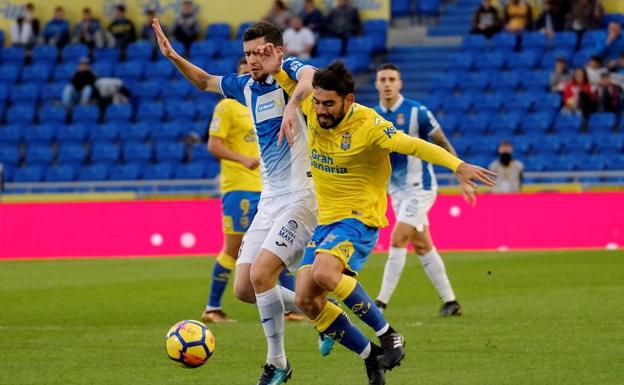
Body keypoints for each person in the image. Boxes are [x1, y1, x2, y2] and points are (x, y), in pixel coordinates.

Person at [258, 49, 496, 383]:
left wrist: (458, 166)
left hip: (359, 218)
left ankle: (388, 334)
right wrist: (273, 68)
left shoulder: (370, 125)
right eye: (318, 103)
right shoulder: (312, 107)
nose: (321, 111)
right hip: (326, 220)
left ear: (348, 100)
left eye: (329, 104)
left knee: (326, 274)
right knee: (305, 299)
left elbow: (415, 145)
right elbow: (288, 78)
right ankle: (370, 357)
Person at [154, 20, 317, 385]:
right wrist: (173, 56)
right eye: (247, 54)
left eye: (258, 52)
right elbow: (204, 81)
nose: (252, 60)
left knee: (262, 276)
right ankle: (321, 311)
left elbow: (311, 80)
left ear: (275, 50)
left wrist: (292, 106)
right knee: (245, 289)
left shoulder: (289, 73)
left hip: (302, 194)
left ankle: (278, 363)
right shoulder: (244, 87)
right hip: (270, 198)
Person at [202, 57, 304, 323]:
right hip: (239, 186)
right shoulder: (227, 107)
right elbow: (213, 145)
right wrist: (242, 159)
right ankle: (212, 307)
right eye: (243, 72)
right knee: (233, 248)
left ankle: (294, 306)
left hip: (269, 188)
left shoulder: (268, 100)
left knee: (276, 247)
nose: (250, 74)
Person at [372, 63, 463, 316]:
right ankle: (451, 302)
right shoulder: (371, 116)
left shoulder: (417, 112)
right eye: (383, 79)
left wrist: (461, 173)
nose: (388, 83)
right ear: (376, 84)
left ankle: (380, 303)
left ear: (400, 83)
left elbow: (441, 141)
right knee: (422, 245)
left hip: (420, 188)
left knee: (398, 237)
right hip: (396, 191)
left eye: (392, 79)